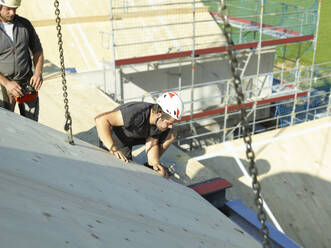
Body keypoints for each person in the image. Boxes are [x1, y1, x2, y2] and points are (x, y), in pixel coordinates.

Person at [95, 91, 184, 178]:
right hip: (116, 136)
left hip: (133, 135)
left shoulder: (159, 123)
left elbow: (152, 143)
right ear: (158, 114)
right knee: (123, 169)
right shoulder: (136, 113)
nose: (170, 126)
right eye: (169, 123)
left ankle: (148, 165)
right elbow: (100, 120)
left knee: (171, 133)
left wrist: (155, 164)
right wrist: (112, 148)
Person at [0, 0, 44, 121]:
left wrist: (38, 73)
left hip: (27, 84)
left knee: (31, 125)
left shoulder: (25, 24)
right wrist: (6, 83)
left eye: (15, 9)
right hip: (3, 86)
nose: (12, 12)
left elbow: (38, 51)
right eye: (8, 9)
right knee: (5, 125)